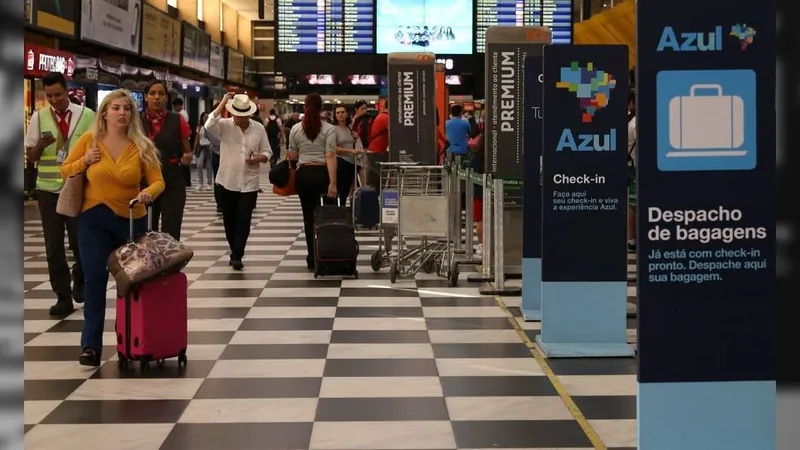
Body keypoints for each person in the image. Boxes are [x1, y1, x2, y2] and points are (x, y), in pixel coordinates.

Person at [60, 88, 165, 366]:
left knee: (132, 282)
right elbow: (65, 169)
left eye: (126, 108)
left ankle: (131, 339)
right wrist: (85, 161)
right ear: (104, 113)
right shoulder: (89, 140)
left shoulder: (141, 145)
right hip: (93, 218)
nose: (122, 113)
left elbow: (158, 181)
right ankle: (90, 346)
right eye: (116, 108)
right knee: (95, 278)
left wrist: (147, 193)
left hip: (132, 218)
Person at [24, 71, 95, 316]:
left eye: (58, 94)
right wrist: (42, 145)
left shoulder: (87, 116)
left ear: (67, 90)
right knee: (53, 246)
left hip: (78, 188)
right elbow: (30, 157)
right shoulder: (39, 117)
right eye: (49, 95)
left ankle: (80, 276)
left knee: (79, 242)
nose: (53, 100)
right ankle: (62, 297)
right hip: (48, 191)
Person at [205, 93, 272, 270]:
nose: (242, 119)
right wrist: (223, 102)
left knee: (244, 220)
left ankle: (237, 254)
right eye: (238, 115)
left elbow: (267, 152)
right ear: (233, 113)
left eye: (245, 115)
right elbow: (208, 124)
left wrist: (258, 159)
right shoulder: (224, 126)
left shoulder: (258, 128)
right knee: (229, 220)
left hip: (249, 183)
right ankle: (234, 248)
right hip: (227, 181)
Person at [287, 93, 337, 270]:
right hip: (323, 173)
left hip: (304, 175)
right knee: (325, 216)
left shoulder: (295, 129)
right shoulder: (329, 129)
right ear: (321, 108)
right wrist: (333, 182)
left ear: (304, 107)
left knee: (308, 217)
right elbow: (330, 155)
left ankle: (311, 256)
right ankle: (326, 252)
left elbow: (292, 155)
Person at [142, 80, 192, 240]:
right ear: (145, 97)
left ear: (166, 98)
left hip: (172, 180)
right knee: (146, 231)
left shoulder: (177, 120)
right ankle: (149, 264)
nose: (156, 97)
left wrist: (187, 157)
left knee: (171, 229)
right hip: (144, 182)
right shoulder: (135, 121)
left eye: (161, 94)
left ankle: (171, 265)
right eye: (152, 93)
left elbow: (187, 150)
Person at [332, 104, 362, 205]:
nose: (340, 115)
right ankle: (342, 214)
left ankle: (352, 213)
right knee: (343, 192)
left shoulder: (349, 128)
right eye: (338, 113)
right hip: (341, 163)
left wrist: (356, 137)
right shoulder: (333, 129)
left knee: (354, 191)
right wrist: (350, 151)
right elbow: (333, 148)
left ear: (347, 114)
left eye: (342, 112)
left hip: (353, 164)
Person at [365, 99, 389, 189]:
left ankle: (374, 200)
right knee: (383, 178)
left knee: (375, 181)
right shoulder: (385, 117)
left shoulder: (381, 116)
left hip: (374, 152)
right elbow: (395, 133)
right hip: (376, 152)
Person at [471, 130, 486, 256]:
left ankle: (481, 245)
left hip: (478, 193)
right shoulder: (493, 157)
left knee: (480, 220)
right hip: (492, 192)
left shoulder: (475, 157)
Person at [627, 91, 637, 253]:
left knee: (633, 204)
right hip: (635, 169)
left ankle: (631, 240)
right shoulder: (635, 123)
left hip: (632, 167)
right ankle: (632, 240)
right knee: (633, 205)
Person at [193, 111, 213, 191]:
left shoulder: (211, 126)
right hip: (201, 146)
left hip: (209, 146)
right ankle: (200, 183)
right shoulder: (199, 127)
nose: (206, 118)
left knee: (209, 165)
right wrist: (194, 148)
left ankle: (209, 183)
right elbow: (197, 138)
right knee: (199, 164)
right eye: (204, 117)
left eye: (207, 116)